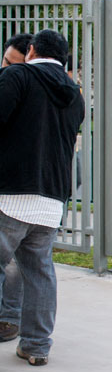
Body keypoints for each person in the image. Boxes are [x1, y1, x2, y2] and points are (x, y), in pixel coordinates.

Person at [0, 29, 84, 366]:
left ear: (31, 50)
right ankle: (36, 346)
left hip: (10, 195)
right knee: (40, 272)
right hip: (51, 201)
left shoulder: (17, 75)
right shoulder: (74, 95)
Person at [0, 33, 34, 344]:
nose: (6, 70)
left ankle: (9, 318)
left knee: (14, 261)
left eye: (14, 66)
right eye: (5, 62)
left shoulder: (32, 94)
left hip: (21, 192)